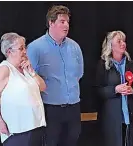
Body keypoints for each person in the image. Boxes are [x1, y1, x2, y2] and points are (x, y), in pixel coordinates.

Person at [27, 5, 84, 146]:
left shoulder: (74, 47)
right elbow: (28, 79)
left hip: (73, 106)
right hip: (50, 108)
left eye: (68, 22)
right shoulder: (35, 48)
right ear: (51, 23)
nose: (66, 25)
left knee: (72, 140)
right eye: (62, 21)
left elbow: (79, 73)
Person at [0, 32, 46, 146]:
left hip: (36, 126)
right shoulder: (5, 69)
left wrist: (32, 72)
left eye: (24, 47)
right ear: (9, 52)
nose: (25, 51)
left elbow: (43, 87)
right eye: (21, 48)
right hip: (17, 131)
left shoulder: (25, 68)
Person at [95, 30, 133, 146]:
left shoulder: (131, 64)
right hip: (111, 118)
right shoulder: (103, 65)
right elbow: (97, 90)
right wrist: (115, 90)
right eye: (119, 41)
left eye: (124, 41)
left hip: (130, 116)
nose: (123, 44)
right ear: (110, 45)